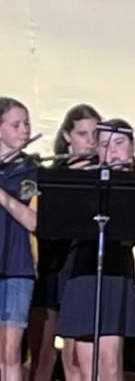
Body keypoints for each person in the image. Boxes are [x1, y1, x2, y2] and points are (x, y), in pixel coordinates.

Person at [56, 119, 135, 381]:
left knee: (110, 363)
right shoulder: (83, 182)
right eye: (105, 145)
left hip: (116, 272)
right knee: (85, 364)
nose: (113, 151)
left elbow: (133, 236)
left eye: (119, 143)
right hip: (83, 271)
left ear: (133, 146)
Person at [30, 104, 101, 381]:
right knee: (41, 356)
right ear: (68, 136)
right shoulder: (49, 173)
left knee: (76, 357)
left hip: (83, 269)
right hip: (51, 268)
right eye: (83, 134)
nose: (90, 141)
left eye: (96, 134)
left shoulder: (105, 175)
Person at [0, 98, 39, 381]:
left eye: (26, 123)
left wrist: (2, 196)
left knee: (11, 353)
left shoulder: (31, 170)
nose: (24, 130)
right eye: (16, 124)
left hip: (17, 267)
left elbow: (33, 220)